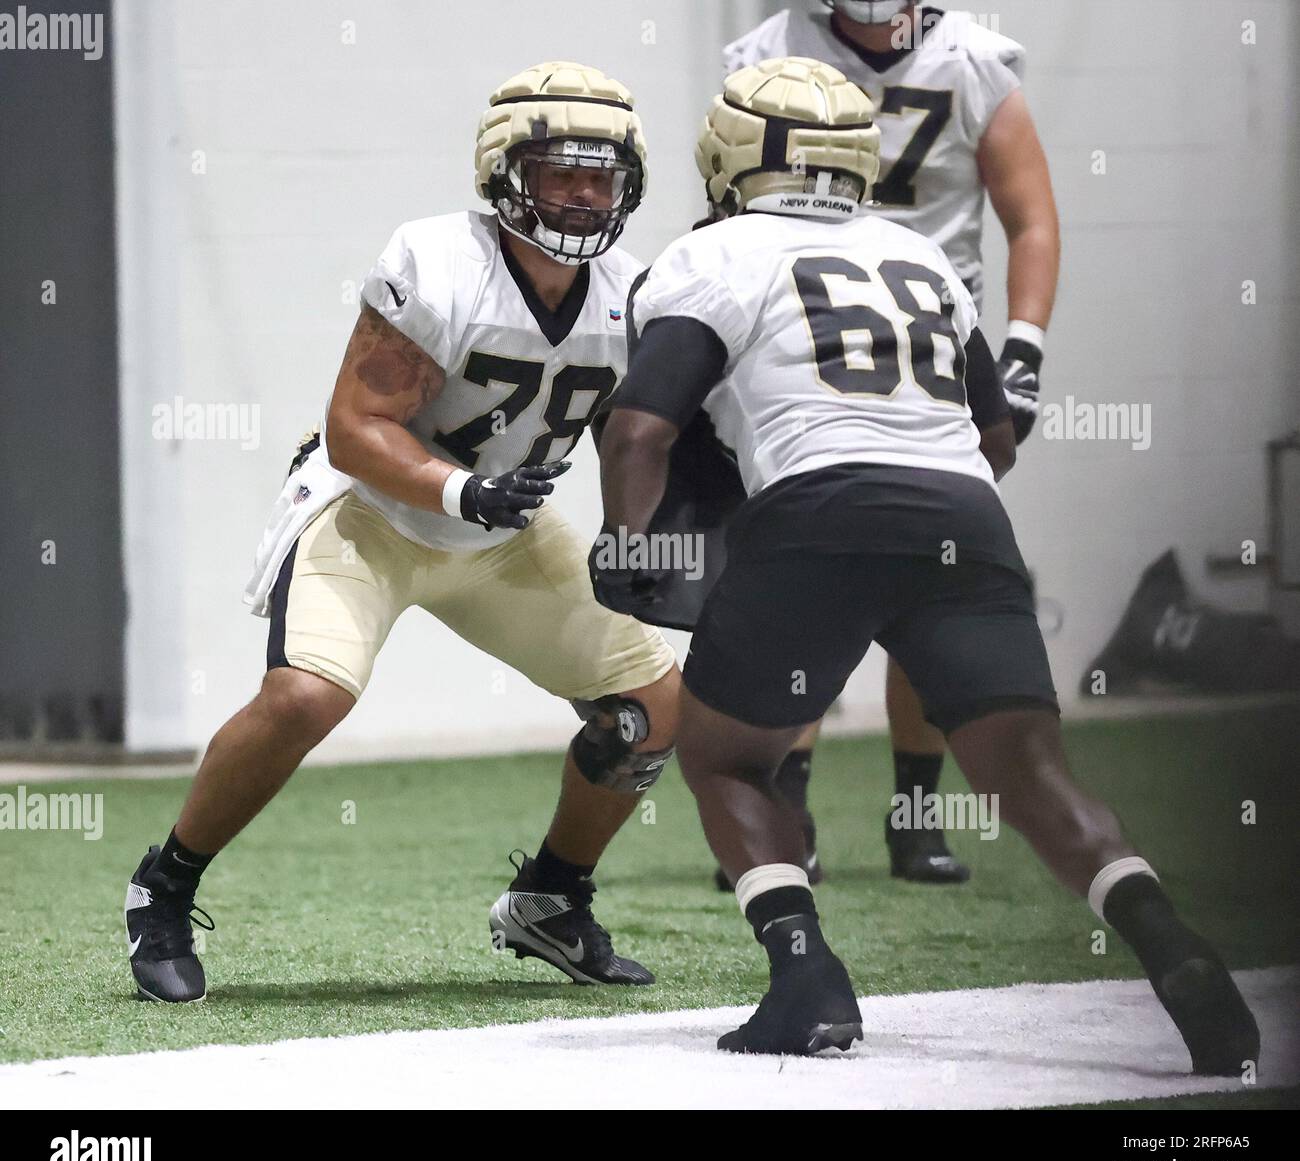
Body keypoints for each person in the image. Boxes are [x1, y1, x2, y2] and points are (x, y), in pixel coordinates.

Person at [590, 57, 1258, 1071]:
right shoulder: (918, 254)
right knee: (1031, 776)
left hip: (815, 511)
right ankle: (1172, 947)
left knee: (728, 755)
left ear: (728, 155)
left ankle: (806, 977)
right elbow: (994, 437)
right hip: (965, 515)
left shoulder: (709, 255)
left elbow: (637, 430)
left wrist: (631, 545)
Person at [123, 61, 680, 1002]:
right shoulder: (440, 261)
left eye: (602, 175)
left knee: (654, 710)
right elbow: (354, 427)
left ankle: (551, 897)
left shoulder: (634, 295)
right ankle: (163, 886)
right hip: (374, 513)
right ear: (507, 173)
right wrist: (461, 491)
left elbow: (646, 440)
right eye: (562, 172)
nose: (585, 195)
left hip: (499, 535)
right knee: (306, 698)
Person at [719, 0, 1060, 884]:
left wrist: (1020, 354)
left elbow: (1032, 218)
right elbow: (728, 199)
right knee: (806, 581)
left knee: (932, 582)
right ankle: (790, 814)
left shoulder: (975, 58)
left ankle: (915, 812)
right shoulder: (765, 52)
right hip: (803, 338)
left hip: (933, 343)